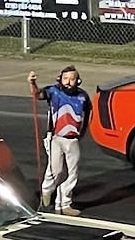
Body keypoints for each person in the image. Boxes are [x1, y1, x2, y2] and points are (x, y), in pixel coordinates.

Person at [28, 65, 92, 216]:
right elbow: (37, 94)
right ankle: (46, 191)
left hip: (73, 140)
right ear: (60, 79)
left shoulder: (83, 96)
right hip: (55, 138)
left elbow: (88, 112)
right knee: (55, 170)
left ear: (78, 81)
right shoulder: (54, 91)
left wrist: (83, 131)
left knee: (72, 173)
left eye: (72, 79)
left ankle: (64, 204)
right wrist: (32, 83)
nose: (68, 82)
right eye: (65, 79)